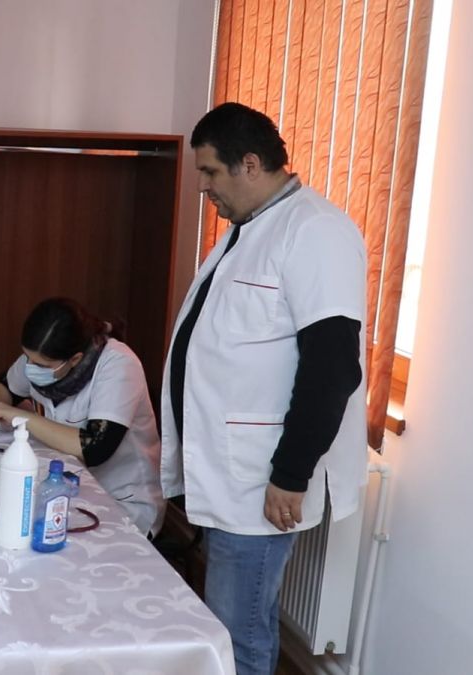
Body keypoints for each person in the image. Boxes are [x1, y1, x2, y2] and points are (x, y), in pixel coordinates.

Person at [159, 102, 368, 675]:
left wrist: (291, 474)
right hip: (231, 473)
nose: (203, 187)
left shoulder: (315, 232)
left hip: (260, 481)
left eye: (209, 172)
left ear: (249, 164)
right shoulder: (250, 229)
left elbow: (332, 367)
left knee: (240, 631)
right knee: (231, 620)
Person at [0, 297, 166, 536]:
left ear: (75, 359)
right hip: (64, 487)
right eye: (26, 358)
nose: (30, 367)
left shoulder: (119, 365)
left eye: (40, 365)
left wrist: (20, 417)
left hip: (120, 500)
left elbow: (94, 447)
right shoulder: (43, 360)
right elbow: (5, 385)